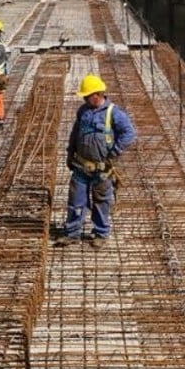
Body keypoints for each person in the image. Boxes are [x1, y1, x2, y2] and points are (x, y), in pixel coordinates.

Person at [61, 74, 137, 243]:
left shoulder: (114, 113)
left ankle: (100, 233)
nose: (85, 99)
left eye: (87, 96)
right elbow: (75, 133)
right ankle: (72, 233)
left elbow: (129, 134)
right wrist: (70, 152)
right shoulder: (83, 111)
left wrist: (115, 150)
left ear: (97, 94)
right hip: (81, 166)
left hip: (102, 169)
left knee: (101, 201)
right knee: (76, 201)